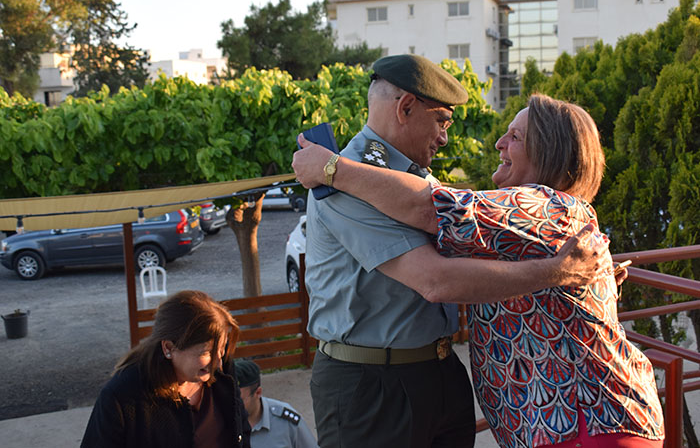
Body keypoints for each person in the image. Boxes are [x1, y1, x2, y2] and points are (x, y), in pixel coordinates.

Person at [292, 93, 664, 447]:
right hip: (573, 425)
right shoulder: (534, 216)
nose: (499, 143)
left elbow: (430, 208)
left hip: (585, 424)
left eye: (515, 137)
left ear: (548, 152)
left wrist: (332, 168)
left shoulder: (547, 207)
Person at [81, 290, 251, 448]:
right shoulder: (121, 396)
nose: (218, 361)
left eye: (222, 348)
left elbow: (241, 430)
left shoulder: (223, 369)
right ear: (168, 348)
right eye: (206, 352)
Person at [228, 359, 319, 448]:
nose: (232, 405)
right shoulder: (223, 422)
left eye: (239, 400)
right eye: (229, 398)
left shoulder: (286, 423)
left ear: (258, 393)